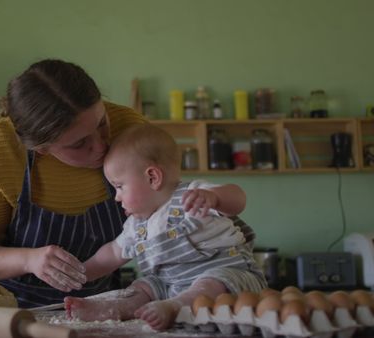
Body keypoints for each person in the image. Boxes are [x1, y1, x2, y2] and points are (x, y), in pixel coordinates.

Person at [0, 58, 248, 308]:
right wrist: (29, 259)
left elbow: (168, 199)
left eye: (102, 123)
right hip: (9, 308)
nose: (102, 146)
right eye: (79, 144)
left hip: (98, 303)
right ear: (41, 148)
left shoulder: (130, 130)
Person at [64, 124, 266, 330]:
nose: (117, 197)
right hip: (172, 288)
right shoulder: (136, 225)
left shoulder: (193, 196)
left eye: (119, 186)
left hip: (231, 278)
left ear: (153, 177)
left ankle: (176, 307)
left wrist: (215, 198)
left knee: (212, 282)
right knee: (145, 286)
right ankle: (119, 307)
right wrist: (81, 273)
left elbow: (238, 198)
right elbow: (113, 253)